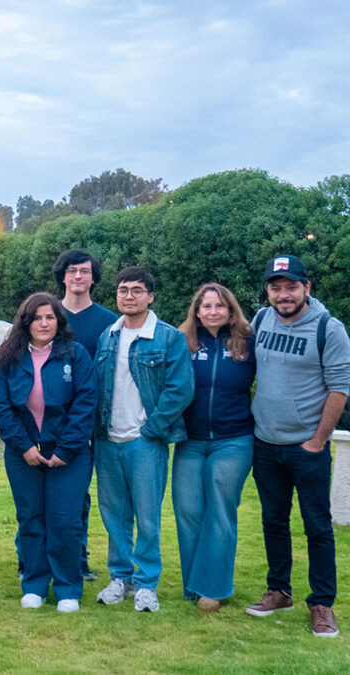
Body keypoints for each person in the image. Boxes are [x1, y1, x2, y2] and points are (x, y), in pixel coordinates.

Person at [246, 254, 350, 638]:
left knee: (317, 526)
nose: (283, 294)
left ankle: (322, 604)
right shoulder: (260, 320)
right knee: (273, 521)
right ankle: (279, 591)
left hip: (307, 447)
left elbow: (340, 387)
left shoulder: (328, 328)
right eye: (276, 287)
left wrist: (318, 440)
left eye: (292, 286)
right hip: (265, 443)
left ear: (307, 288)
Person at [0, 292, 97, 613]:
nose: (44, 323)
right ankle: (35, 584)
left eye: (50, 317)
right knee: (31, 520)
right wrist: (23, 447)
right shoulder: (8, 357)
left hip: (69, 454)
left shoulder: (76, 355)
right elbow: (0, 406)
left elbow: (85, 403)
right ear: (26, 322)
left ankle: (67, 588)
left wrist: (65, 449)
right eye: (37, 318)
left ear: (58, 321)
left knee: (64, 521)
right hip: (23, 453)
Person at [93, 266, 193, 613]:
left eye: (137, 290)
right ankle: (121, 577)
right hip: (108, 440)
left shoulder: (168, 338)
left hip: (145, 442)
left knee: (148, 516)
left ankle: (147, 582)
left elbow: (180, 389)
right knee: (114, 514)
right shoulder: (108, 335)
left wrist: (152, 429)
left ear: (150, 296)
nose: (129, 296)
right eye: (123, 290)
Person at [172, 283, 256, 614]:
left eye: (219, 306)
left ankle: (215, 588)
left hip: (233, 440)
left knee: (220, 510)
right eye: (206, 306)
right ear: (196, 310)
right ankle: (195, 583)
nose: (212, 312)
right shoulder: (182, 343)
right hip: (190, 441)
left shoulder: (248, 343)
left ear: (230, 309)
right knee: (188, 510)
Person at [53, 249, 118, 582]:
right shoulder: (47, 315)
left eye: (85, 271)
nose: (78, 276)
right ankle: (30, 556)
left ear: (93, 278)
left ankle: (77, 557)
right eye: (72, 271)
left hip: (90, 422)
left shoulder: (108, 322)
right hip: (48, 421)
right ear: (62, 276)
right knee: (38, 494)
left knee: (79, 494)